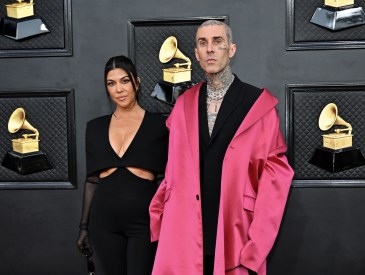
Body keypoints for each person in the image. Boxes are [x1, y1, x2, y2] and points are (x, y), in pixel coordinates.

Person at [149, 20, 294, 275]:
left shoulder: (257, 103)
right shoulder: (184, 104)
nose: (210, 49)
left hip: (235, 231)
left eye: (218, 42)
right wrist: (160, 216)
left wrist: (257, 244)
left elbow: (275, 182)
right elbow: (172, 170)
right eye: (203, 43)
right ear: (196, 53)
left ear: (232, 49)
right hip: (185, 232)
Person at [77, 55, 168, 275]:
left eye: (124, 81)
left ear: (137, 82)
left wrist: (169, 224)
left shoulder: (159, 125)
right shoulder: (95, 128)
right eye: (111, 83)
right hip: (104, 224)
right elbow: (91, 181)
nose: (119, 89)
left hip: (144, 223)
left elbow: (165, 181)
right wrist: (84, 228)